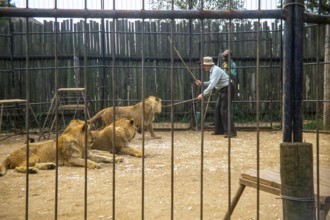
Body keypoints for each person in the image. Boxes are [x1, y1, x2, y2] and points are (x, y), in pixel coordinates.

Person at [195, 56, 237, 138]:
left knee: (224, 110)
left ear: (208, 65)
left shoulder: (216, 70)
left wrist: (202, 94)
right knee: (218, 109)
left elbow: (212, 85)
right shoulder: (212, 71)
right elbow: (211, 82)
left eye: (204, 65)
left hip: (228, 88)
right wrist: (202, 83)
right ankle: (219, 130)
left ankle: (231, 132)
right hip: (223, 90)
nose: (203, 67)